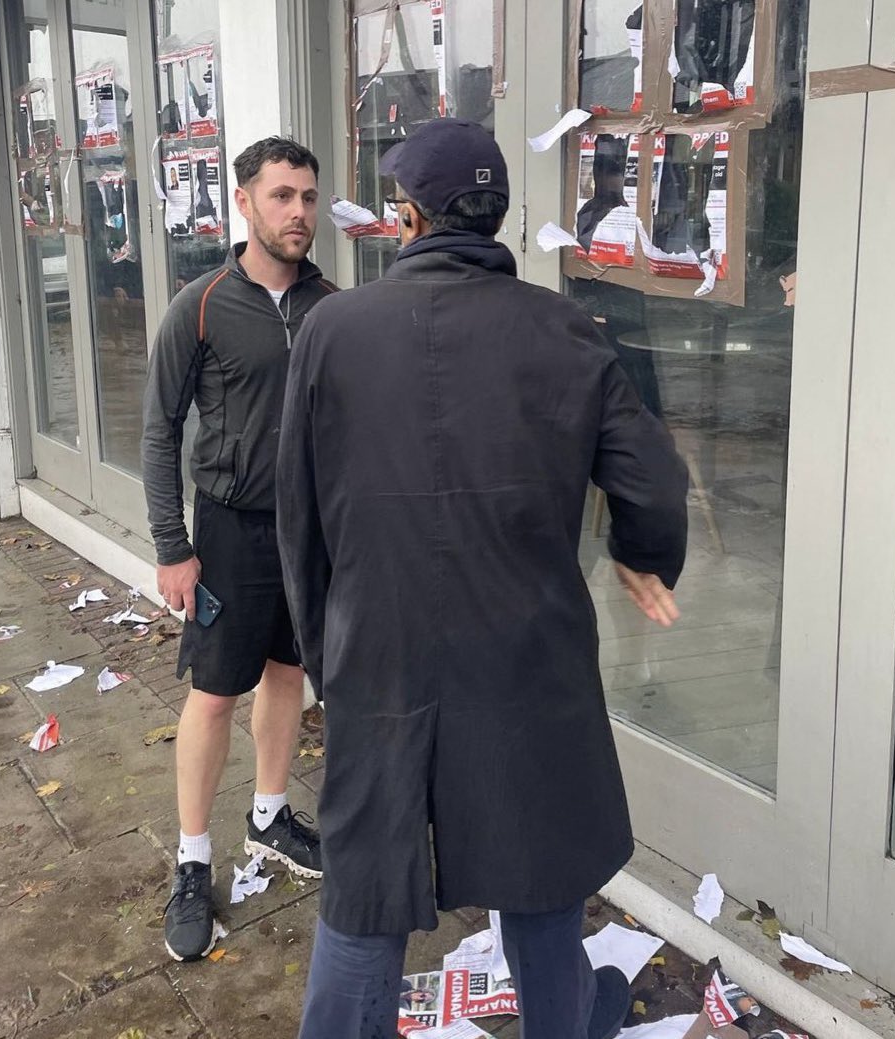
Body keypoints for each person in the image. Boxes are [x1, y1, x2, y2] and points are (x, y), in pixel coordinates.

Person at [277, 119, 689, 1039]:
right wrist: (642, 553)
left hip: (377, 651)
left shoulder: (331, 331)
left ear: (411, 217)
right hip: (524, 651)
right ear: (493, 220)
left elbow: (297, 520)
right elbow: (652, 476)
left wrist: (323, 653)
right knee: (539, 872)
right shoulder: (565, 329)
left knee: (368, 882)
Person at [141, 136, 336, 963]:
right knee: (216, 692)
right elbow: (158, 429)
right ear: (245, 202)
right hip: (226, 529)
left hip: (311, 529)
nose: (298, 212)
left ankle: (268, 817)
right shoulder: (204, 302)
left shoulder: (332, 303)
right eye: (282, 195)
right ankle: (191, 860)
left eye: (308, 197)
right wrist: (171, 546)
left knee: (289, 673)